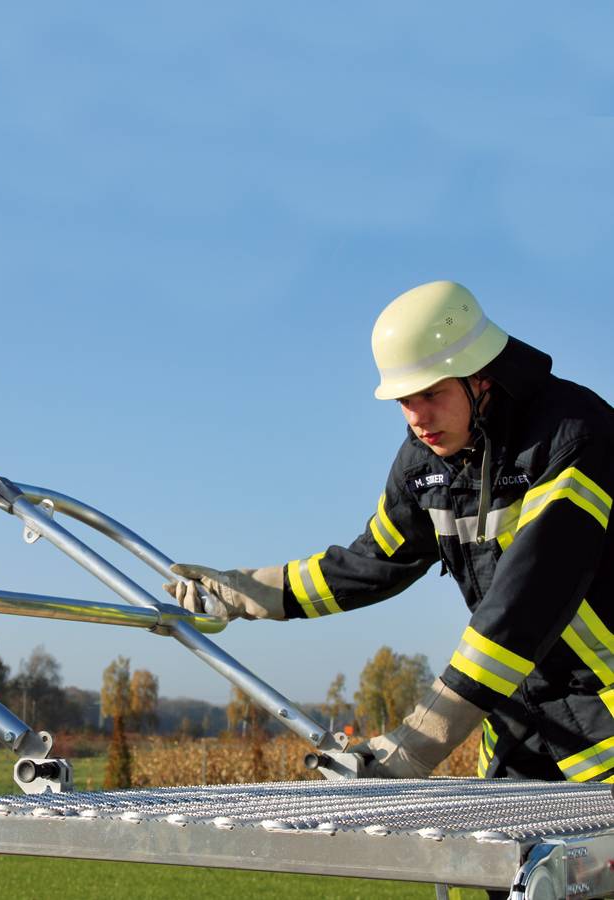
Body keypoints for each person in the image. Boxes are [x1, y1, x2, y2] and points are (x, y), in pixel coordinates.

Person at [166, 280, 614, 784]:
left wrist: (422, 739)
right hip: (513, 719)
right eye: (403, 400)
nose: (417, 418)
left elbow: (527, 599)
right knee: (506, 864)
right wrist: (249, 591)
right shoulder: (423, 464)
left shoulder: (573, 435)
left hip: (603, 718)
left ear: (482, 376)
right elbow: (373, 562)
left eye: (430, 394)